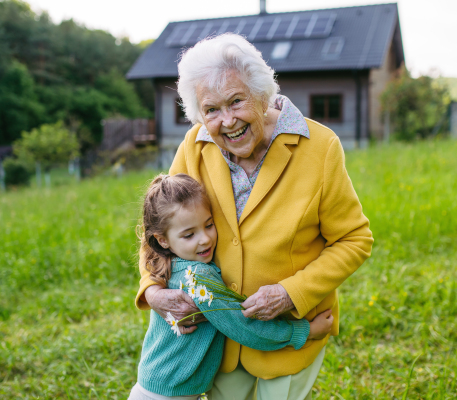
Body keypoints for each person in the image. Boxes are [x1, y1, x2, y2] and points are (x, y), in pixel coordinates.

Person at [135, 33, 374, 400]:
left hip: (290, 331)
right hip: (219, 342)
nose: (227, 121)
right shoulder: (195, 145)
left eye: (236, 101)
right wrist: (151, 289)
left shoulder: (320, 147)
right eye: (211, 110)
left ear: (262, 94)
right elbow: (160, 224)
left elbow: (354, 239)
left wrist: (290, 293)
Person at [129, 174, 334, 400]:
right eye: (189, 235)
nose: (205, 239)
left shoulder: (166, 264)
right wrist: (305, 331)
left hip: (152, 385)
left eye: (209, 225)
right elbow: (245, 328)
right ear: (162, 240)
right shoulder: (199, 278)